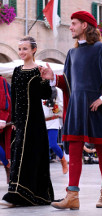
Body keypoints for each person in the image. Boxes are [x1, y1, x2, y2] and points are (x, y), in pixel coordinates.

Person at [39, 11, 102, 209]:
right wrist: (53, 77)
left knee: (101, 148)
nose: (70, 27)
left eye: (73, 24)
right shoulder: (72, 53)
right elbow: (70, 82)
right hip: (76, 106)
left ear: (85, 26)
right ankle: (72, 195)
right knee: (74, 148)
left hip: (96, 107)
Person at [0, 36, 54, 207]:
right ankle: (17, 192)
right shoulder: (16, 70)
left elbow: (45, 95)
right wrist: (14, 119)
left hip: (35, 120)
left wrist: (46, 79)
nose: (22, 52)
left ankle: (25, 194)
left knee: (31, 154)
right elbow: (15, 97)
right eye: (20, 49)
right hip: (20, 120)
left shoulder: (38, 70)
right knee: (18, 153)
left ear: (33, 50)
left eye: (25, 49)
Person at [42, 87, 68, 174]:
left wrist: (52, 105)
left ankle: (63, 160)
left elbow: (60, 110)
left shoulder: (57, 90)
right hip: (40, 122)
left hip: (52, 121)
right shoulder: (37, 88)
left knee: (53, 144)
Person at [0, 75, 12, 184]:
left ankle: (7, 165)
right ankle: (7, 165)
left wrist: (2, 118)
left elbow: (5, 100)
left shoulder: (1, 80)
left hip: (1, 117)